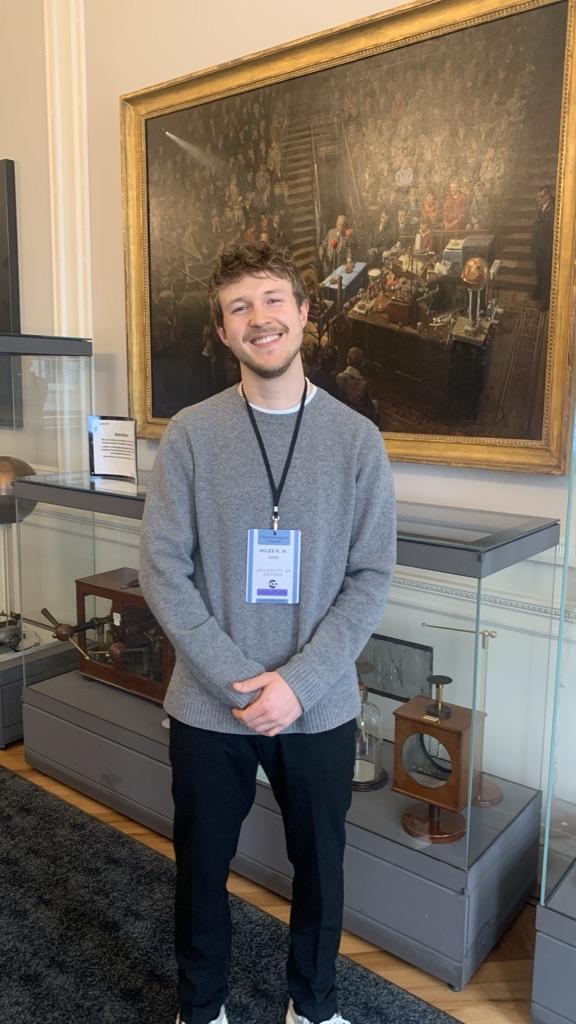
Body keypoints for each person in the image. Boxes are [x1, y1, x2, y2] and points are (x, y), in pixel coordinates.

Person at [139, 241, 396, 1024]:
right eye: (240, 307)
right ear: (223, 331)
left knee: (321, 870)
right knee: (201, 869)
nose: (261, 319)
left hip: (315, 704)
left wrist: (297, 684)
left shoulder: (358, 442)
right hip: (210, 703)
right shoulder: (190, 433)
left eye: (274, 300)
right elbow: (162, 571)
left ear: (305, 312)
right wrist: (243, 682)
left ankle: (312, 1008)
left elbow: (370, 578)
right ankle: (203, 1005)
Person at [336, 347, 379, 424]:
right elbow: (368, 409)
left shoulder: (339, 377)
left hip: (342, 414)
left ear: (347, 360)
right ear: (362, 363)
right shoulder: (363, 385)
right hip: (357, 418)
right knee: (375, 403)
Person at [531, 185, 554, 312]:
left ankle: (546, 301)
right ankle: (539, 293)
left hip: (547, 247)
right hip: (539, 246)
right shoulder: (541, 207)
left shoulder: (553, 209)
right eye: (537, 197)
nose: (538, 199)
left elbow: (549, 229)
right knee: (539, 271)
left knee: (546, 275)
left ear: (547, 196)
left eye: (541, 197)